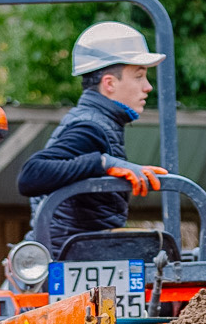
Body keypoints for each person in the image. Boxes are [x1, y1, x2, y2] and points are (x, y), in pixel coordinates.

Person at [16, 21, 171, 257]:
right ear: (109, 83)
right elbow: (31, 175)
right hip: (67, 262)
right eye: (139, 77)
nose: (147, 87)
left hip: (81, 252)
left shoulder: (103, 123)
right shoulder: (90, 127)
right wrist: (104, 164)